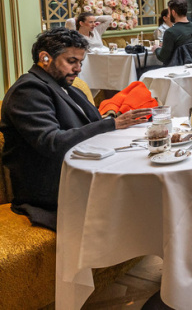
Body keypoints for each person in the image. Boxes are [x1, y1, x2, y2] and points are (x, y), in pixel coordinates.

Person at [0, 28, 151, 230]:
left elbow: (92, 121)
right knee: (143, 191)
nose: (78, 68)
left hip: (81, 169)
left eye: (80, 62)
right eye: (71, 61)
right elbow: (52, 142)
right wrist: (111, 123)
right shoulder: (28, 90)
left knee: (146, 169)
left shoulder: (63, 86)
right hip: (52, 188)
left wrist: (113, 119)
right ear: (45, 58)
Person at [153, 0, 192, 66]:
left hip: (177, 69)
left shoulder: (170, 32)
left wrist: (156, 49)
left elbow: (163, 57)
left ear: (173, 13)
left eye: (169, 12)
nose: (169, 15)